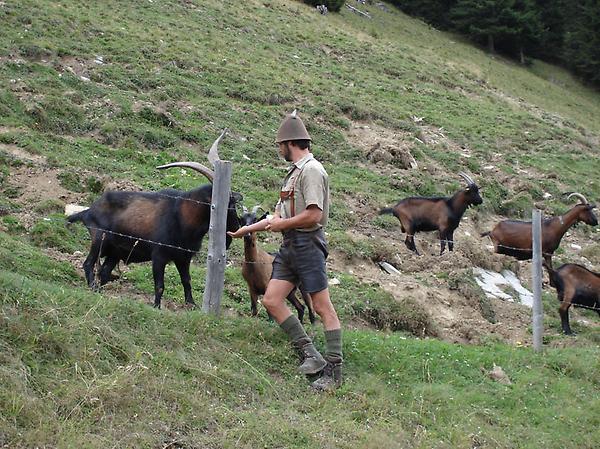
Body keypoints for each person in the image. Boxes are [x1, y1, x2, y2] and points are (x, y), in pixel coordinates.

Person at [228, 110, 343, 391]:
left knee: (321, 305)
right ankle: (310, 355)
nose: (278, 149)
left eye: (279, 145)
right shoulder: (294, 174)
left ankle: (334, 370)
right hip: (290, 246)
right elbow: (277, 217)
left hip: (308, 245)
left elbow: (313, 215)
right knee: (272, 300)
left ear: (290, 143)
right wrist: (245, 231)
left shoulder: (312, 171)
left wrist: (281, 226)